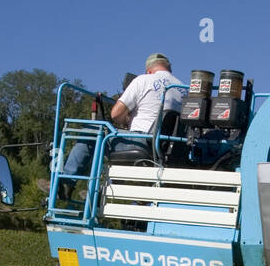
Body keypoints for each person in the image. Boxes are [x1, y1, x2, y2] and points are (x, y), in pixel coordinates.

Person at [59, 53, 184, 195]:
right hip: (170, 149)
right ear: (168, 68)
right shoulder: (183, 88)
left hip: (143, 142)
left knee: (93, 131)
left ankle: (65, 183)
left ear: (148, 70)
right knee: (114, 139)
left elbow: (116, 114)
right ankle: (101, 194)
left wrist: (127, 118)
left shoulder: (143, 80)